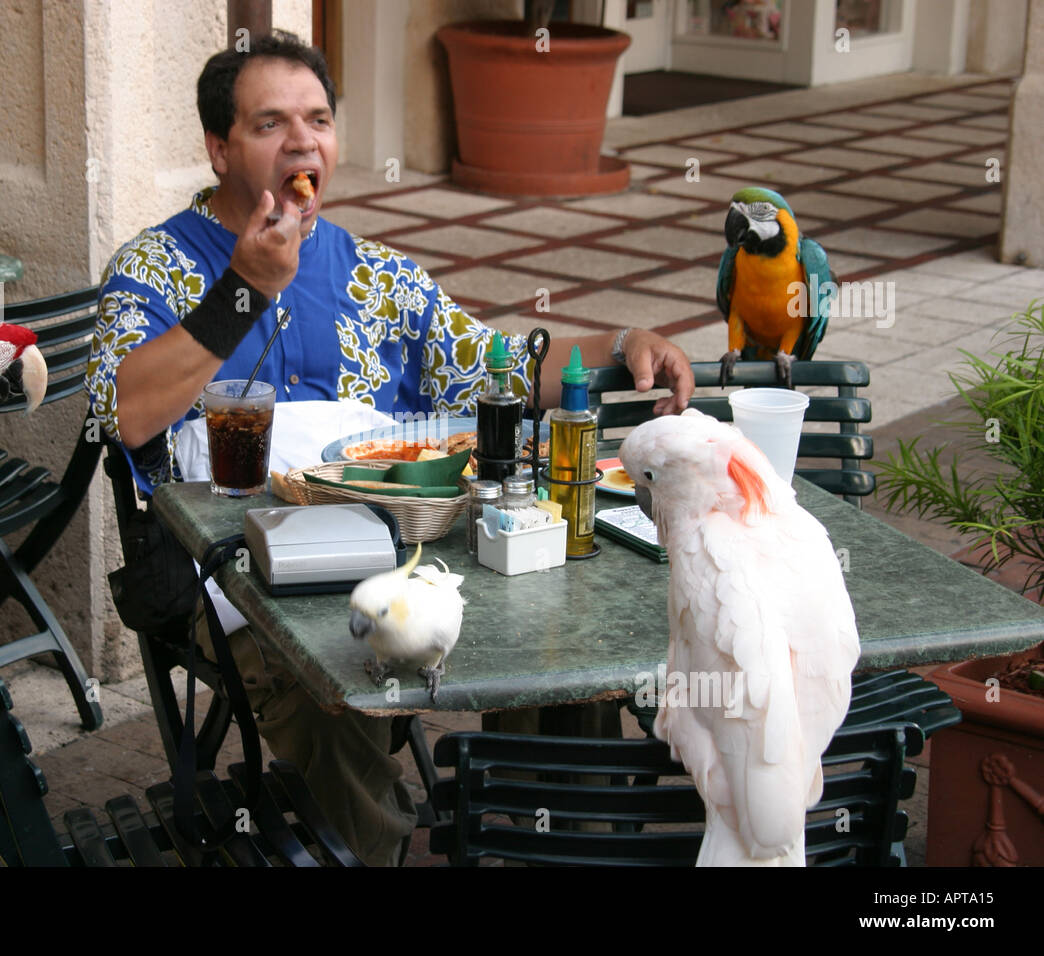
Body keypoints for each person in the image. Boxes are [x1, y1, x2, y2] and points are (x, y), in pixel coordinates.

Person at [88, 31, 695, 865]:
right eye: (270, 124)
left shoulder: (375, 275)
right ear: (219, 149)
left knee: (561, 622)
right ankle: (373, 853)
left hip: (397, 544)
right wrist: (244, 292)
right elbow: (125, 414)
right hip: (227, 569)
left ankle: (556, 840)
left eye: (319, 120)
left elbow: (498, 365)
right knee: (329, 674)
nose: (303, 142)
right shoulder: (151, 269)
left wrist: (626, 341)